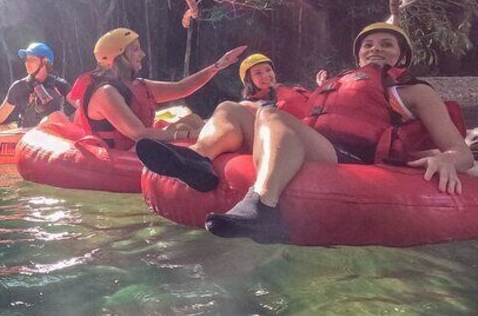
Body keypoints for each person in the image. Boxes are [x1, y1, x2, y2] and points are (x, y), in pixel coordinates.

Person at [138, 22, 474, 243]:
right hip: (320, 145)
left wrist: (447, 159)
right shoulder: (340, 84)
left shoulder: (414, 92)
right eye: (368, 44)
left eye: (386, 44)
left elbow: (459, 151)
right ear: (358, 53)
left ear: (403, 54)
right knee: (230, 109)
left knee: (271, 115)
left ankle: (263, 205)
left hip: (352, 159)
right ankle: (198, 159)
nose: (375, 49)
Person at [69, 27, 246, 151]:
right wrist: (192, 134)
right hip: (123, 154)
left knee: (192, 118)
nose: (142, 54)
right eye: (136, 49)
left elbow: (182, 88)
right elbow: (140, 134)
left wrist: (217, 66)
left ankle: (231, 147)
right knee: (188, 127)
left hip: (140, 146)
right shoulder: (105, 92)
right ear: (118, 57)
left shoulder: (137, 84)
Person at [0, 42, 72, 128]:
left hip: (55, 137)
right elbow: (0, 116)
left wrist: (67, 121)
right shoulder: (18, 87)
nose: (27, 63)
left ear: (45, 62)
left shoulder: (61, 85)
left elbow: (81, 108)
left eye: (32, 60)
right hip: (27, 138)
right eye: (26, 59)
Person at [238, 53, 310, 118]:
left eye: (268, 70)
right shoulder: (248, 108)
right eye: (258, 73)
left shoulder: (293, 90)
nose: (265, 75)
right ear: (248, 81)